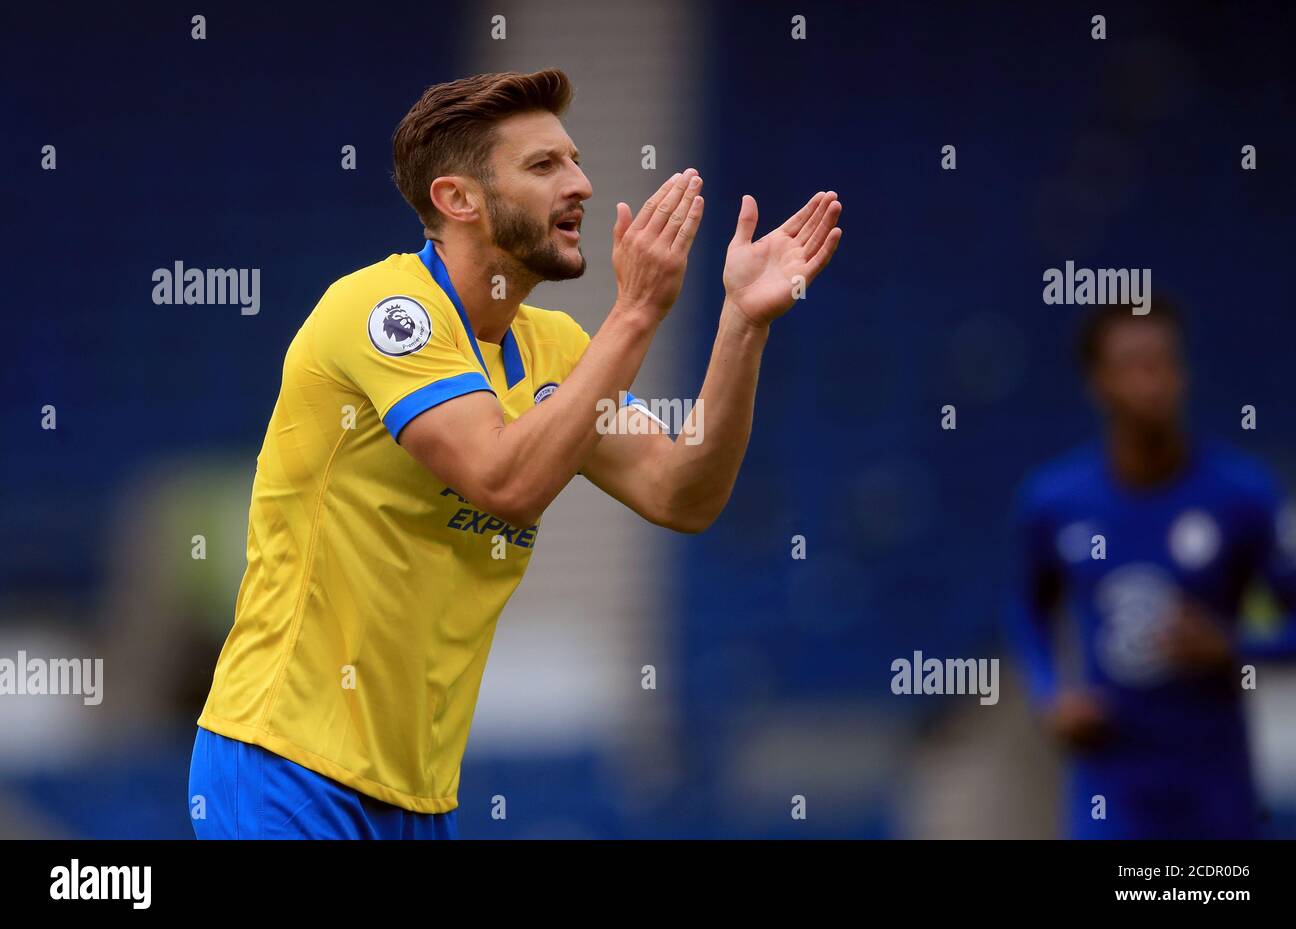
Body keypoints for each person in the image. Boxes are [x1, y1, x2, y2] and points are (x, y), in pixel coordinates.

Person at [189, 68, 843, 839]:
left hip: (419, 797)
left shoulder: (556, 351)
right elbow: (507, 480)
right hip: (284, 766)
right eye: (544, 166)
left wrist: (741, 323)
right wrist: (636, 311)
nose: (583, 184)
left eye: (573, 160)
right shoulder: (381, 311)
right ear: (457, 199)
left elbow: (681, 493)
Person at [1006, 296, 1296, 839]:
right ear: (1099, 383)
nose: (1152, 382)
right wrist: (1053, 695)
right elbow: (1028, 607)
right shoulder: (1055, 501)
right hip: (1112, 780)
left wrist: (1235, 646)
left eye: (1162, 362)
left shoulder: (1241, 495)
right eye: (1132, 365)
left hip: (1216, 781)